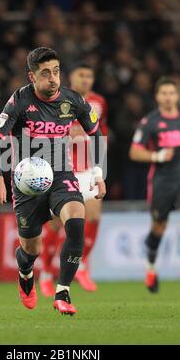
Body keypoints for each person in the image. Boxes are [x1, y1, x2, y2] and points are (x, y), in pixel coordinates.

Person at [0, 47, 106, 315]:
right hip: (27, 181)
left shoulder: (73, 101)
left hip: (62, 173)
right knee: (31, 249)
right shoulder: (19, 101)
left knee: (76, 220)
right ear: (32, 76)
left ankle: (63, 291)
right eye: (45, 74)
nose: (53, 79)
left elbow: (96, 134)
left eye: (56, 72)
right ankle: (25, 273)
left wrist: (98, 174)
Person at [39, 63, 108, 296]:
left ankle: (83, 264)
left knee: (95, 214)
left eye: (90, 75)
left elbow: (98, 131)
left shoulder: (99, 101)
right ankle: (47, 272)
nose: (86, 79)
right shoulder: (60, 100)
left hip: (87, 168)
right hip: (64, 168)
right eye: (82, 75)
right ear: (72, 77)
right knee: (58, 224)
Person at [129, 77, 180, 293]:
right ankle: (150, 268)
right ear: (157, 96)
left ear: (177, 96)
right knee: (159, 228)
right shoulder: (150, 122)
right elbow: (134, 152)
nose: (168, 97)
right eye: (164, 93)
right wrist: (158, 155)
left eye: (172, 93)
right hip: (161, 182)